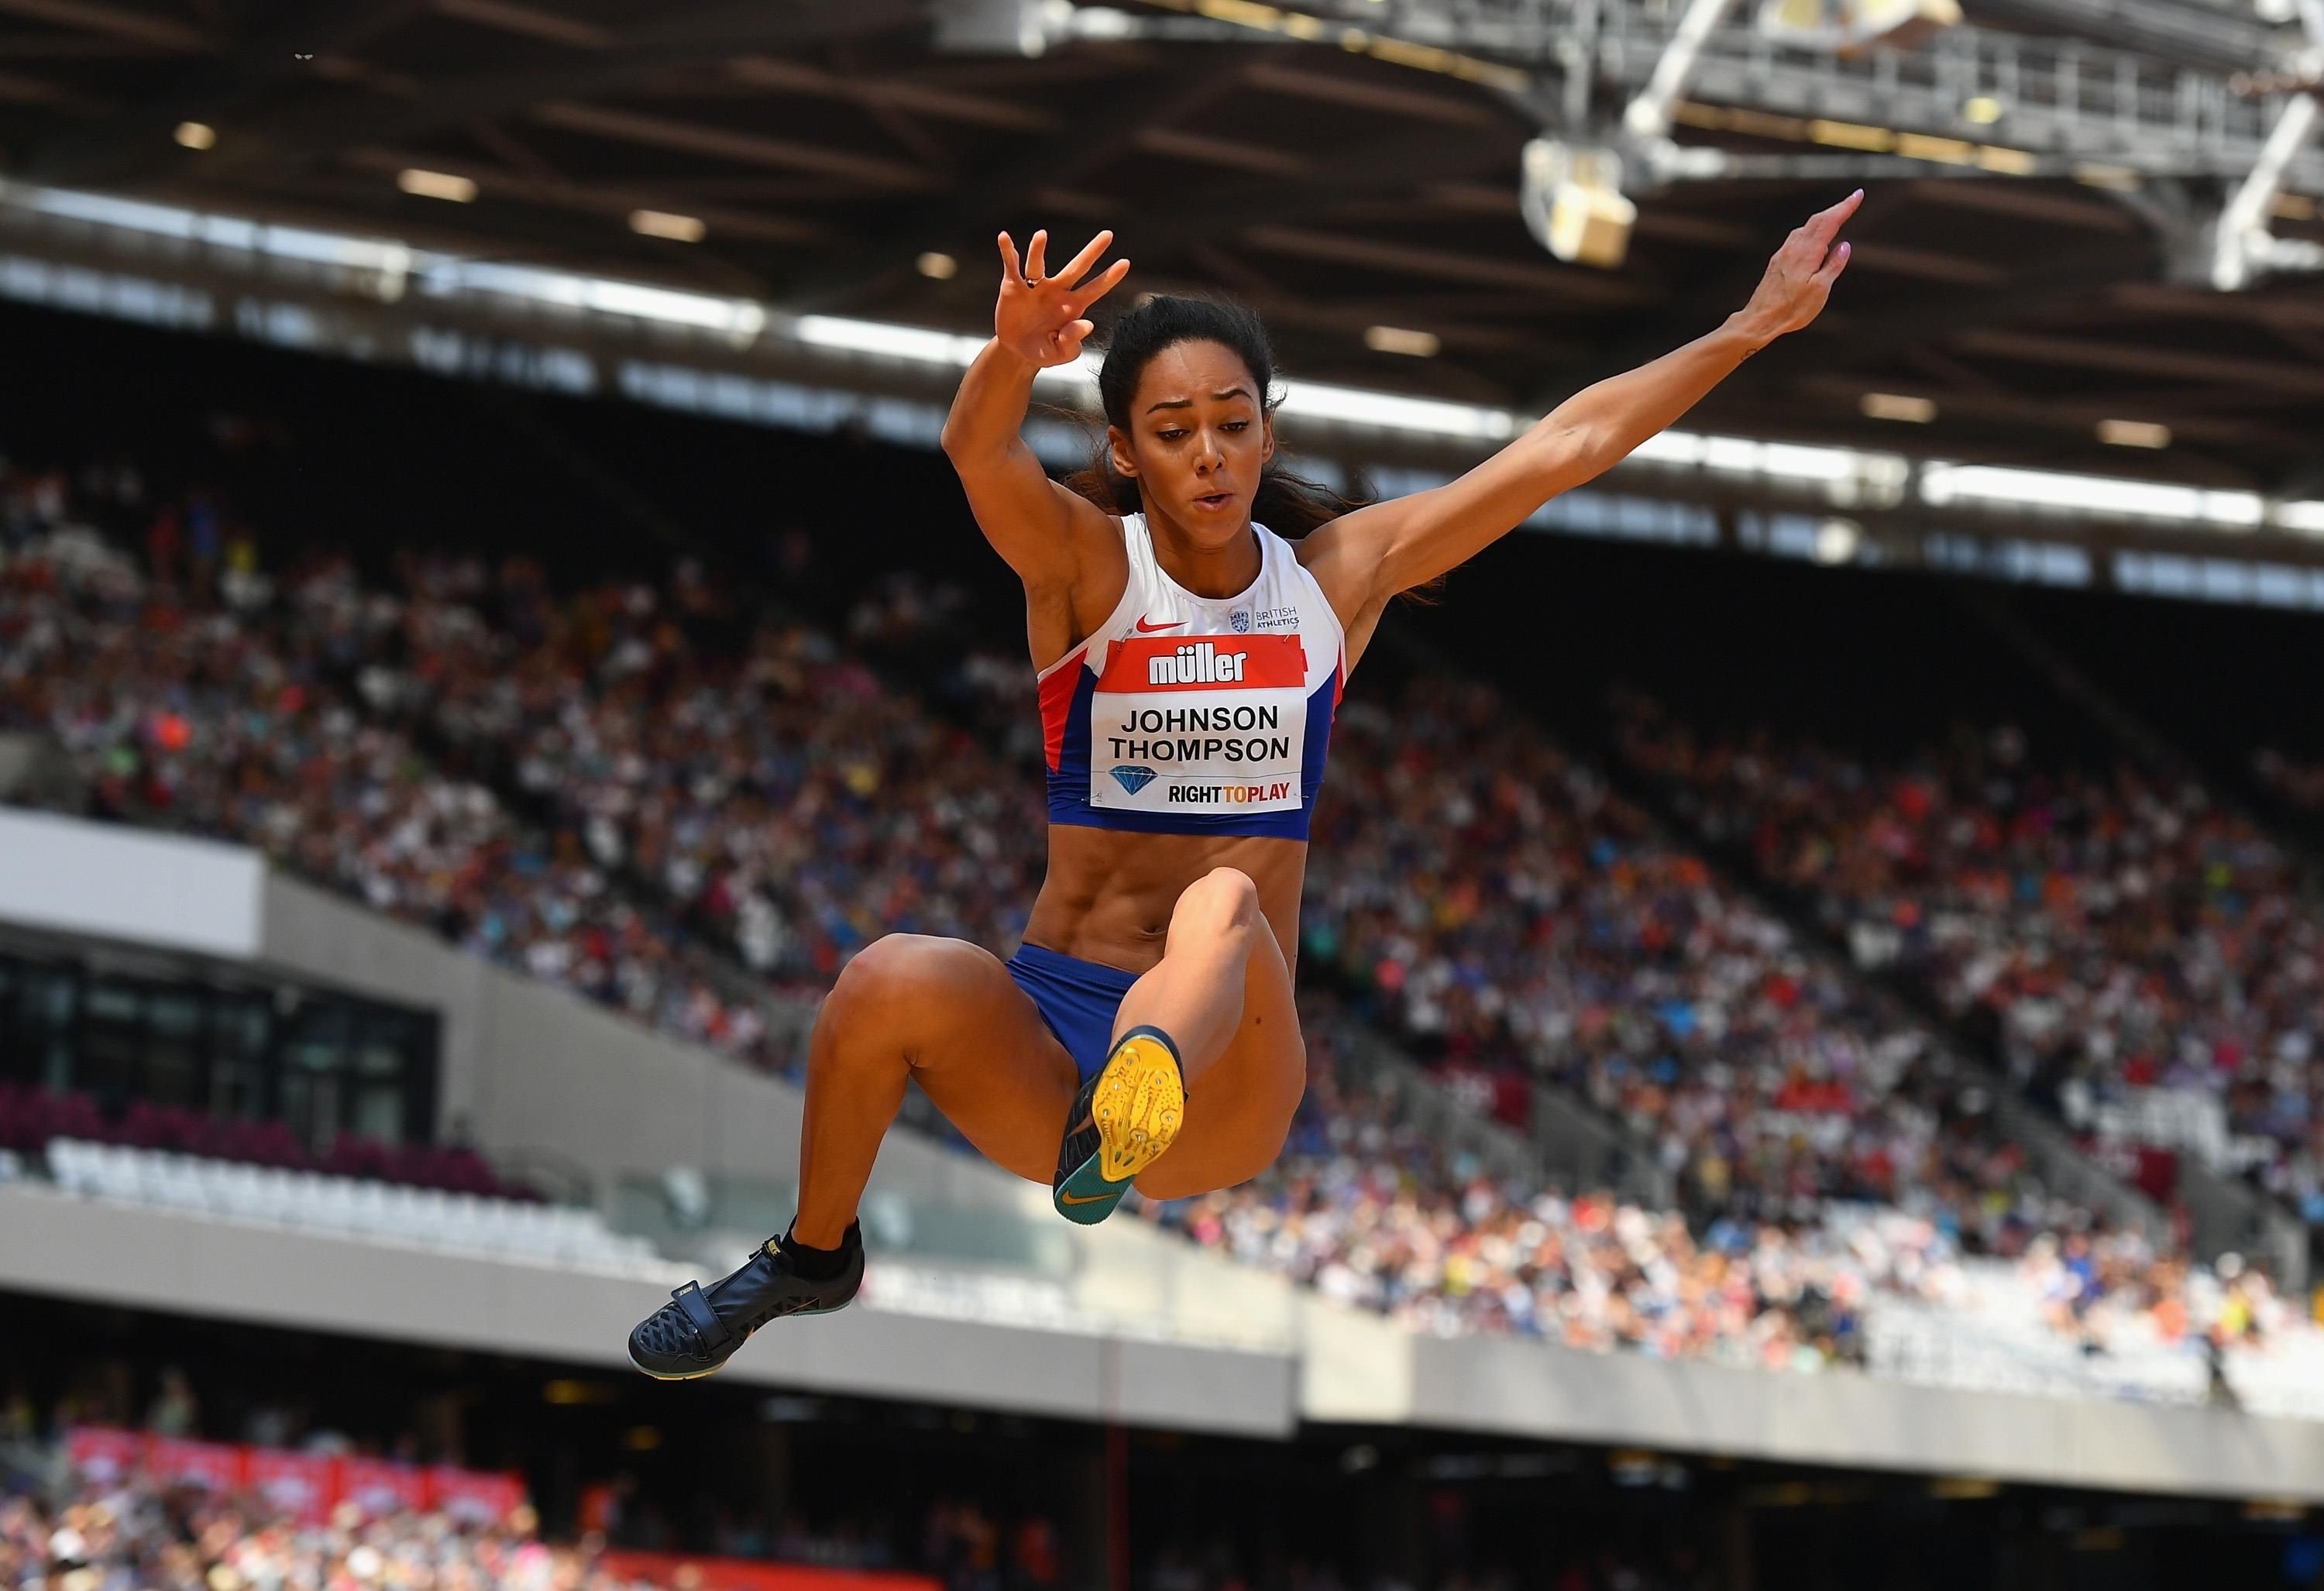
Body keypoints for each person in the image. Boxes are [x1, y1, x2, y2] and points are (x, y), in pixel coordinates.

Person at [626, 192, 1862, 1379]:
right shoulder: (1085, 568)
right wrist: (1010, 357)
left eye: (1232, 423)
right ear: (1126, 450)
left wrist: (1749, 326)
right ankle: (815, 1254)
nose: (1209, 454)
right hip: (1055, 1033)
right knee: (886, 974)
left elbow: (1562, 448)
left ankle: (1134, 1104)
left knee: (1219, 902)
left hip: (1223, 1072)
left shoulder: (1333, 581)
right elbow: (976, 450)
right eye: (1173, 432)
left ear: (1268, 435)